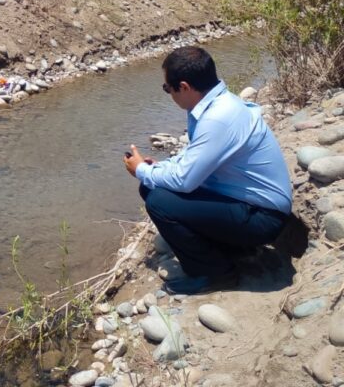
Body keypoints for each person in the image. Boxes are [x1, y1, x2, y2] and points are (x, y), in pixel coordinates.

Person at [124, 46, 292, 294]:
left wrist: (140, 170)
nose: (168, 94)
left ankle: (214, 273)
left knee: (158, 199)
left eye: (167, 88)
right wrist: (158, 168)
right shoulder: (215, 105)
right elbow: (194, 158)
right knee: (153, 185)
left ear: (184, 87)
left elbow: (185, 181)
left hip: (263, 218)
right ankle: (229, 249)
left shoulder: (218, 118)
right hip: (249, 204)